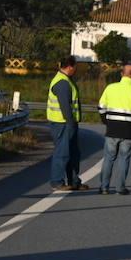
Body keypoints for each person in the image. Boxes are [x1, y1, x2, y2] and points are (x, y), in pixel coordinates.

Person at [97, 63, 131, 196]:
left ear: (121, 74)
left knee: (109, 158)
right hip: (129, 132)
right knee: (124, 159)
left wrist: (107, 122)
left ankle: (104, 187)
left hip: (112, 129)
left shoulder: (110, 88)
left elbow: (101, 107)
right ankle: (120, 188)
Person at [47, 56, 89, 193]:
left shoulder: (66, 80)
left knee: (73, 153)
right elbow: (65, 106)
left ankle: (74, 181)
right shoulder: (62, 83)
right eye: (75, 67)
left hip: (67, 123)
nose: (76, 70)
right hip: (62, 123)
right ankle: (57, 182)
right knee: (62, 153)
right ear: (70, 66)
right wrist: (71, 122)